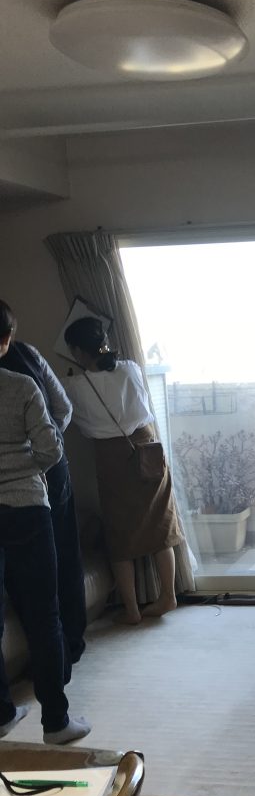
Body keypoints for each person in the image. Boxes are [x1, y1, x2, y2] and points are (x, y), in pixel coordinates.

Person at [0, 302, 90, 743]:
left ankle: (1, 714)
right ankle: (55, 722)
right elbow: (52, 450)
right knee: (44, 614)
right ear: (6, 339)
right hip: (27, 509)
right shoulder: (21, 384)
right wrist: (21, 469)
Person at [63, 315, 180, 625]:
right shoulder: (131, 369)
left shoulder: (75, 386)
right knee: (160, 521)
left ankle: (131, 609)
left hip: (110, 455)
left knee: (119, 533)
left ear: (78, 351)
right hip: (146, 445)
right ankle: (168, 595)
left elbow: (72, 419)